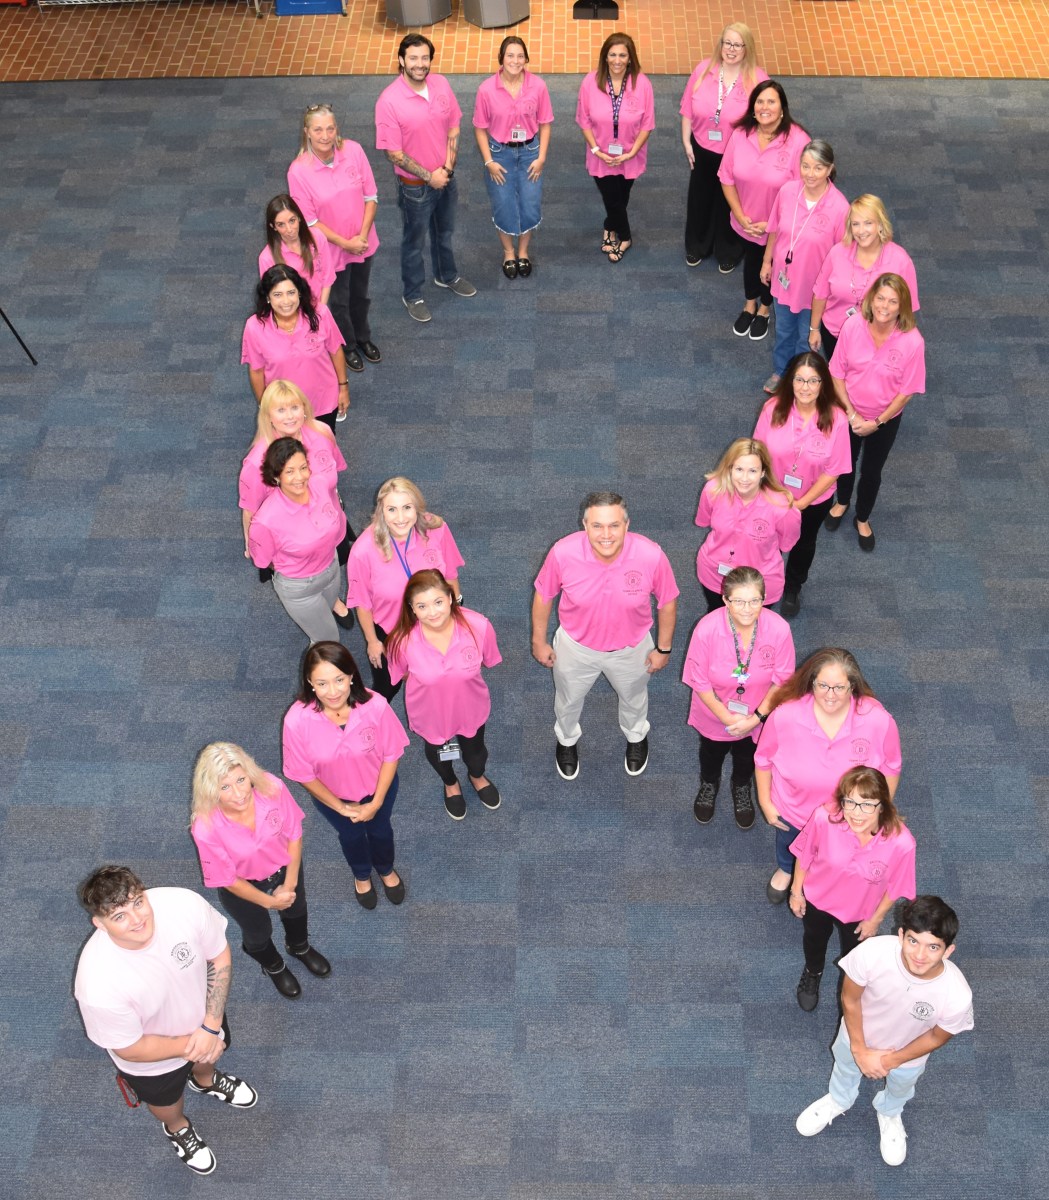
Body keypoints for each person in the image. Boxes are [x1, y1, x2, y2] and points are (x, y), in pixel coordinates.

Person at [74, 866, 257, 1177]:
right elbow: (129, 1048)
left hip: (205, 1018)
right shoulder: (96, 984)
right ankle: (177, 1128)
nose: (137, 919)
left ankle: (206, 1080)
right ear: (99, 924)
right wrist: (196, 1045)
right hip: (153, 1058)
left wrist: (210, 1027)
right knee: (168, 1102)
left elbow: (219, 956)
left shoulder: (182, 904)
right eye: (118, 916)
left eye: (137, 902)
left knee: (209, 1059)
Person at [796, 896, 974, 1167]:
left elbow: (937, 1037)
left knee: (902, 1086)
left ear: (948, 951)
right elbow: (850, 999)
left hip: (907, 1057)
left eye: (933, 947)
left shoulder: (957, 994)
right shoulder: (872, 952)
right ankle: (839, 1099)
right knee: (845, 1069)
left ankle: (890, 1112)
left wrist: (891, 1060)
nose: (919, 955)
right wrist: (860, 1049)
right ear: (901, 935)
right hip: (855, 1036)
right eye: (913, 940)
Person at [532, 490, 678, 780]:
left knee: (635, 697)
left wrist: (663, 649)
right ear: (584, 525)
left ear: (627, 524)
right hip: (575, 648)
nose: (606, 534)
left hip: (632, 649)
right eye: (597, 526)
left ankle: (636, 736)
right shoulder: (562, 552)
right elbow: (544, 595)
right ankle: (567, 739)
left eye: (614, 525)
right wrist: (539, 640)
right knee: (568, 700)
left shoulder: (651, 555)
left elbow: (668, 601)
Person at [754, 647, 902, 905]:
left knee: (838, 855)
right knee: (789, 843)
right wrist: (766, 804)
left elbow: (891, 766)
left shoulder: (878, 720)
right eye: (822, 685)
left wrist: (879, 810)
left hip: (849, 817)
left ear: (853, 687)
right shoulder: (785, 715)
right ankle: (787, 868)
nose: (830, 695)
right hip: (795, 812)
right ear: (811, 682)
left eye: (839, 687)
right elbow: (763, 759)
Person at [190, 741, 331, 1001]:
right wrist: (269, 902)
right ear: (211, 790)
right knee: (257, 935)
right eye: (225, 787)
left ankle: (299, 947)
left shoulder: (271, 787)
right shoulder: (205, 827)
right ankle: (274, 966)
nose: (239, 793)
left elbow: (294, 834)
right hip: (244, 887)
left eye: (241, 780)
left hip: (286, 867)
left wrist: (288, 886)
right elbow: (229, 879)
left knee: (297, 909)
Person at [282, 641, 409, 910]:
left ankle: (385, 869)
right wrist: (342, 807)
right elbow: (303, 774)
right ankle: (362, 874)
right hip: (333, 799)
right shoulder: (296, 721)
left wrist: (375, 803)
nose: (332, 691)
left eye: (339, 679)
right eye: (322, 683)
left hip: (380, 790)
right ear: (310, 682)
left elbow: (391, 754)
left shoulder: (375, 705)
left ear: (351, 676)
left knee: (381, 830)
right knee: (350, 837)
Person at [788, 766, 916, 1012]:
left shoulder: (902, 843)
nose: (857, 814)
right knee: (814, 939)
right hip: (818, 899)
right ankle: (813, 972)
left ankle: (853, 986)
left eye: (867, 805)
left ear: (882, 806)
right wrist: (796, 891)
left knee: (856, 957)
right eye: (850, 803)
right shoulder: (824, 818)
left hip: (860, 913)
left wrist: (875, 920)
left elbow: (896, 886)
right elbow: (805, 854)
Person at [682, 566, 795, 829]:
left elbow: (782, 680)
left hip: (759, 714)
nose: (747, 608)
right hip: (714, 712)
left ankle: (741, 786)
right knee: (711, 752)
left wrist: (755, 719)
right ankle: (709, 783)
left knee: (748, 754)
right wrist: (726, 717)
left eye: (755, 600)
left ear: (764, 599)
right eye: (739, 601)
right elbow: (699, 681)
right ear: (725, 600)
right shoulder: (706, 629)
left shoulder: (779, 630)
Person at [375, 33, 476, 324]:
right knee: (414, 242)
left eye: (425, 58)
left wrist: (446, 169)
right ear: (401, 61)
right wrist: (429, 176)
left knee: (444, 233)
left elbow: (454, 127)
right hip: (415, 187)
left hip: (446, 177)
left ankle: (447, 275)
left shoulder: (441, 84)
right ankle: (413, 294)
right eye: (414, 58)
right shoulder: (389, 102)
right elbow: (394, 153)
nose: (420, 64)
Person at [386, 569, 503, 820]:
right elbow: (401, 673)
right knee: (439, 753)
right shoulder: (400, 641)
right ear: (412, 609)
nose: (433, 612)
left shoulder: (479, 626)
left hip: (471, 708)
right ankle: (450, 783)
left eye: (438, 602)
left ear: (450, 597)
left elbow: (489, 660)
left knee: (475, 753)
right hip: (431, 714)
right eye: (422, 606)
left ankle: (476, 776)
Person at [824, 273, 926, 552]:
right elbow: (837, 374)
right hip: (848, 410)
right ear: (871, 298)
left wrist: (877, 422)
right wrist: (852, 415)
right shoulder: (853, 325)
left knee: (872, 470)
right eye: (880, 298)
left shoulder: (913, 341)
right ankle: (842, 501)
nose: (884, 306)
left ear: (902, 306)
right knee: (845, 463)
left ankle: (863, 516)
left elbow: (907, 390)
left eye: (893, 301)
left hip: (885, 419)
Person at [239, 379, 355, 622]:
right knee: (307, 577)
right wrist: (255, 546)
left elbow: (334, 479)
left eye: (295, 407)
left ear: (305, 408)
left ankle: (332, 598)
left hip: (330, 520)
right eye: (281, 410)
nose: (290, 416)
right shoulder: (256, 463)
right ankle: (325, 602)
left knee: (332, 567)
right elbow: (250, 511)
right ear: (268, 416)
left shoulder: (322, 432)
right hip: (295, 544)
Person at [346, 476, 464, 701]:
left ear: (417, 507)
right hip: (393, 631)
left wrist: (456, 608)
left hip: (436, 621)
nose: (400, 518)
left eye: (407, 508)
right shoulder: (363, 551)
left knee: (440, 676)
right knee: (388, 686)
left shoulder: (436, 529)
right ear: (381, 510)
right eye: (392, 509)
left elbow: (450, 574)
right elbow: (362, 603)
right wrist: (373, 641)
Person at [753, 352, 851, 617]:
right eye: (799, 379)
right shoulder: (772, 409)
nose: (805, 387)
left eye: (812, 381)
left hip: (813, 500)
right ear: (790, 381)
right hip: (771, 495)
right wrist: (772, 494)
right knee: (763, 538)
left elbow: (835, 470)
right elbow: (757, 454)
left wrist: (801, 503)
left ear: (823, 384)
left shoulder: (837, 419)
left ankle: (793, 585)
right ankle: (761, 583)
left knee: (804, 543)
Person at [287, 104, 382, 373]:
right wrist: (345, 243)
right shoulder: (298, 171)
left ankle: (364, 337)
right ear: (306, 132)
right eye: (318, 130)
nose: (325, 135)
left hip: (362, 242)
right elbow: (310, 221)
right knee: (338, 301)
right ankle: (347, 345)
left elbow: (370, 197)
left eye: (330, 128)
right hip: (330, 251)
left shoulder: (353, 150)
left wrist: (361, 236)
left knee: (360, 296)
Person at [718, 80, 809, 341]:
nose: (764, 107)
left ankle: (765, 309)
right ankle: (749, 304)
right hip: (746, 221)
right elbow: (726, 177)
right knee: (751, 260)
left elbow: (803, 191)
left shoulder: (798, 141)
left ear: (782, 108)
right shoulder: (739, 134)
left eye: (771, 101)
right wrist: (738, 214)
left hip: (780, 226)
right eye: (760, 102)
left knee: (772, 266)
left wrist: (772, 223)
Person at [759, 139, 849, 393]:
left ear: (830, 169)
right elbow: (775, 230)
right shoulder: (788, 191)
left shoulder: (840, 207)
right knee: (784, 330)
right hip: (784, 278)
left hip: (815, 289)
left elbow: (842, 256)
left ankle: (801, 379)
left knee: (807, 337)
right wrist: (767, 262)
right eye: (806, 166)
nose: (810, 174)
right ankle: (781, 371)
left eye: (818, 168)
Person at [679, 22, 767, 270]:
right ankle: (697, 245)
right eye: (727, 43)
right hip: (702, 148)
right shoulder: (703, 70)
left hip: (737, 154)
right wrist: (686, 141)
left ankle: (728, 249)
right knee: (700, 197)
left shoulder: (758, 79)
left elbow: (767, 119)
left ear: (747, 48)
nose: (731, 49)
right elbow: (687, 107)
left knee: (730, 200)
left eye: (737, 44)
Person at [247, 437, 347, 645]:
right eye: (289, 471)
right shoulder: (265, 521)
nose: (300, 477)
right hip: (300, 587)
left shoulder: (319, 484)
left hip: (331, 567)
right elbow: (263, 561)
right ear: (276, 477)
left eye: (303, 468)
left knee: (326, 613)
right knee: (327, 641)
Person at [472, 36, 553, 280]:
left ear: (526, 59)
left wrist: (541, 158)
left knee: (529, 204)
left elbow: (546, 124)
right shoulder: (486, 89)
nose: (515, 61)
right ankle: (509, 253)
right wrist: (489, 162)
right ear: (501, 58)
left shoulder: (538, 87)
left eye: (520, 56)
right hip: (499, 155)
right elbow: (479, 127)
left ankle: (523, 251)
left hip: (530, 153)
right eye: (510, 55)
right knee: (504, 204)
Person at [810, 193, 920, 362]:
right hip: (834, 333)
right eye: (856, 224)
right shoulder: (837, 253)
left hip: (876, 339)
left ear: (880, 225)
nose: (861, 231)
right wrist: (814, 329)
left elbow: (907, 309)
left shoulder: (900, 261)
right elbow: (820, 294)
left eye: (868, 223)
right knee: (838, 380)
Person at [575, 33, 655, 263]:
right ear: (605, 56)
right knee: (612, 197)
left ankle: (610, 227)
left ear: (630, 58)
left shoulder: (642, 84)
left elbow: (647, 124)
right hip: (600, 155)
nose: (617, 60)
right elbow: (584, 120)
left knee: (621, 196)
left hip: (631, 154)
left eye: (622, 55)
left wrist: (631, 153)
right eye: (612, 54)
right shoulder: (590, 82)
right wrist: (596, 150)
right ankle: (626, 237)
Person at [694, 437, 800, 611]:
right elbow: (704, 520)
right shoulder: (713, 490)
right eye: (739, 469)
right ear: (729, 469)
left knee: (752, 629)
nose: (744, 478)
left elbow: (786, 543)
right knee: (717, 615)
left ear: (763, 472)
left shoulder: (782, 507)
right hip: (715, 574)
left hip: (758, 584)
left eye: (752, 470)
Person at [241, 264, 349, 430]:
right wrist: (265, 406)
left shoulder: (320, 314)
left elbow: (335, 350)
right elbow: (256, 371)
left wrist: (343, 387)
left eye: (291, 292)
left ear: (299, 292)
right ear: (268, 298)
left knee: (323, 447)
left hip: (322, 400)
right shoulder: (255, 326)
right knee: (289, 454)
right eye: (277, 294)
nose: (286, 301)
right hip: (284, 409)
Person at [258, 193, 335, 307]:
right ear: (273, 226)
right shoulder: (267, 258)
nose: (289, 229)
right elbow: (274, 297)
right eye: (281, 225)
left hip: (319, 308)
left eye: (292, 220)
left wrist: (321, 311)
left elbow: (327, 277)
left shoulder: (317, 236)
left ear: (299, 217)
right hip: (291, 314)